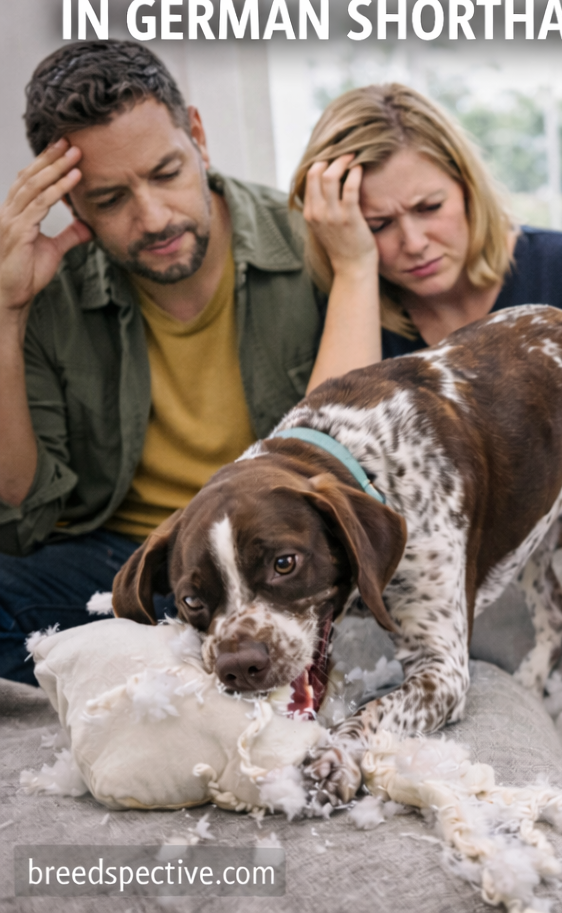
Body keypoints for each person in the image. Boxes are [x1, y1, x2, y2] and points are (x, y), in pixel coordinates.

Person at [0, 41, 323, 683]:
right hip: (135, 562)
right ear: (70, 202)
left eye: (166, 173)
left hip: (273, 553)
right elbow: (21, 509)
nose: (153, 218)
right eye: (112, 198)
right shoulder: (47, 288)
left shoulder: (309, 241)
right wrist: (6, 311)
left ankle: (155, 676)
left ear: (197, 135)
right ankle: (170, 672)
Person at [292, 83, 562, 559]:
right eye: (378, 225)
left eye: (429, 207)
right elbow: (326, 473)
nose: (413, 242)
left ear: (467, 188)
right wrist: (354, 270)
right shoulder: (351, 305)